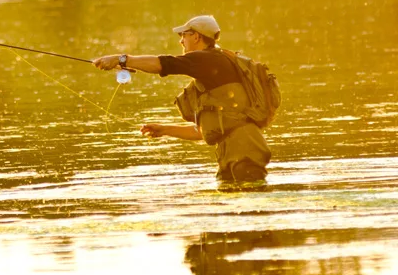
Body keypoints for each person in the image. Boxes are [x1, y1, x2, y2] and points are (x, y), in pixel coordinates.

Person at [93, 15, 271, 183]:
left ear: (196, 37)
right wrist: (164, 130)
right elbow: (202, 132)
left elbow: (163, 64)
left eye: (184, 35)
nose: (180, 40)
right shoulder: (212, 67)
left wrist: (121, 59)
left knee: (251, 204)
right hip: (231, 154)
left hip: (245, 153)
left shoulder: (206, 59)